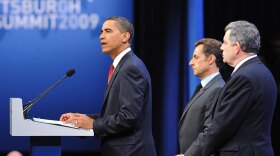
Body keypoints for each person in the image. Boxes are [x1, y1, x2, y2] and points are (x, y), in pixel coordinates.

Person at [59, 16, 157, 156]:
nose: (101, 36)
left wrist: (92, 124)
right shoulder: (123, 66)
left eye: (108, 31)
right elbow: (116, 115)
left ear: (125, 36)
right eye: (101, 32)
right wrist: (82, 119)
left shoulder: (131, 68)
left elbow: (129, 118)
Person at [185, 20, 277, 156]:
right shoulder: (262, 71)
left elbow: (221, 127)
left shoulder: (244, 78)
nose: (221, 47)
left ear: (237, 47)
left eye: (225, 43)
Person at [176, 38, 225, 156]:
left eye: (196, 57)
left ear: (211, 59)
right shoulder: (202, 87)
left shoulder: (217, 89)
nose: (190, 62)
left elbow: (210, 132)